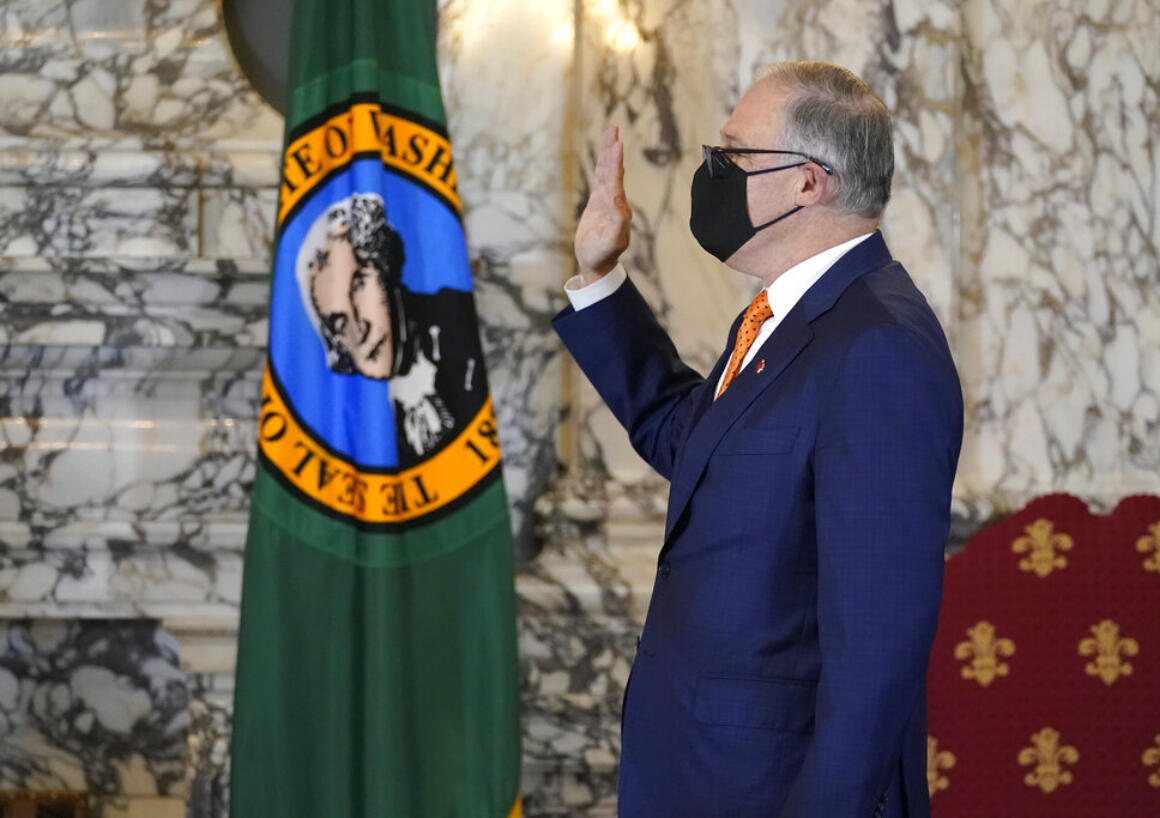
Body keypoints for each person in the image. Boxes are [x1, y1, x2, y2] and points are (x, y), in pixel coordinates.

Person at [552, 61, 963, 817]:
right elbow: (691, 441)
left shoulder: (879, 345)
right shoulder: (790, 319)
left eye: (733, 155)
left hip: (776, 792)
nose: (711, 172)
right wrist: (600, 275)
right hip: (702, 775)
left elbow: (876, 649)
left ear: (810, 181)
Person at [297, 193, 486, 464]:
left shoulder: (456, 334)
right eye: (339, 323)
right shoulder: (346, 424)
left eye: (359, 285)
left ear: (386, 269)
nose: (357, 327)